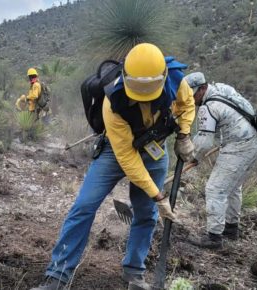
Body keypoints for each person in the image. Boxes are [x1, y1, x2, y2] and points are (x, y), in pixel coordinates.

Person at [31, 43, 195, 290]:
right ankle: (57, 275)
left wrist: (184, 134)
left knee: (146, 214)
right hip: (115, 151)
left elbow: (187, 104)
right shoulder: (112, 101)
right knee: (84, 206)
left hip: (155, 150)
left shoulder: (176, 80)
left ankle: (134, 274)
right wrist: (158, 194)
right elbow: (128, 158)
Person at [185, 72, 257, 249]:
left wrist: (193, 157)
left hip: (238, 147)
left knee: (215, 189)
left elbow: (204, 142)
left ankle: (214, 237)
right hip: (254, 140)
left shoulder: (207, 108)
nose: (191, 100)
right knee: (233, 187)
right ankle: (231, 229)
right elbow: (246, 109)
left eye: (193, 94)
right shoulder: (222, 88)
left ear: (202, 88)